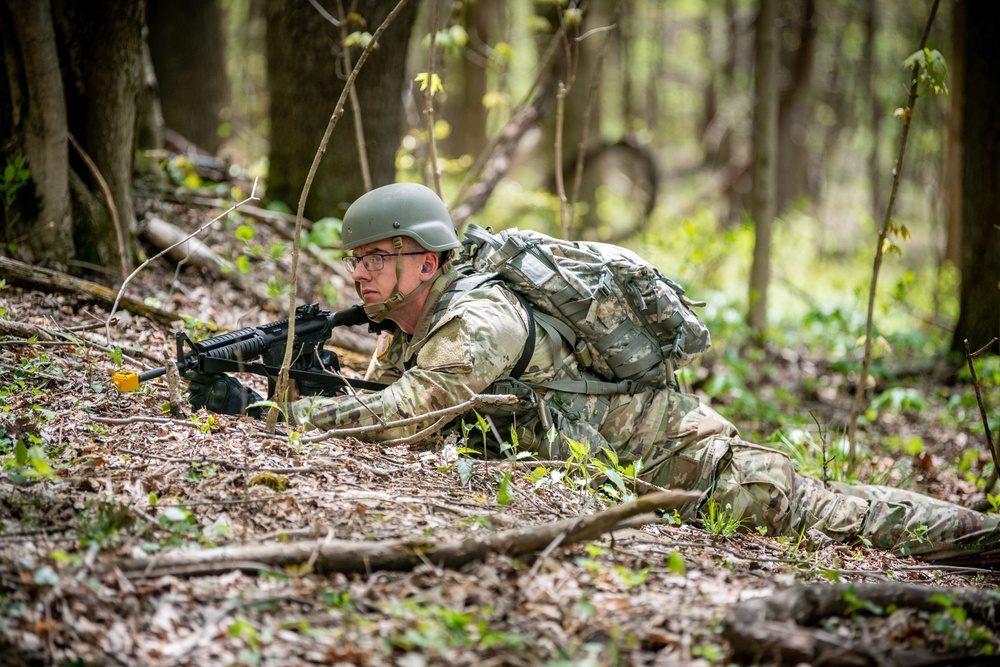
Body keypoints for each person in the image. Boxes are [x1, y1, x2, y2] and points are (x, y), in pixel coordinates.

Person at [188, 182, 1000, 565]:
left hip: (707, 474)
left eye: (375, 258)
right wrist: (307, 380)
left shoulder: (481, 317)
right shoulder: (424, 317)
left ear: (425, 258)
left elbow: (409, 414)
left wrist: (273, 418)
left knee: (861, 519)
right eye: (355, 258)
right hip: (659, 477)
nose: (359, 274)